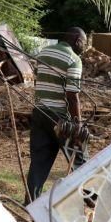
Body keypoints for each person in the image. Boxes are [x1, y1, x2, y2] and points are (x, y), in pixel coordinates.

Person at [27, 27, 87, 201]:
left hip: (39, 113)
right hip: (60, 118)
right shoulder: (73, 59)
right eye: (83, 42)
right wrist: (78, 124)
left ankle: (30, 202)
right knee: (79, 159)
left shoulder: (43, 53)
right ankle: (91, 199)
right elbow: (72, 96)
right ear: (77, 40)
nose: (84, 47)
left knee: (38, 162)